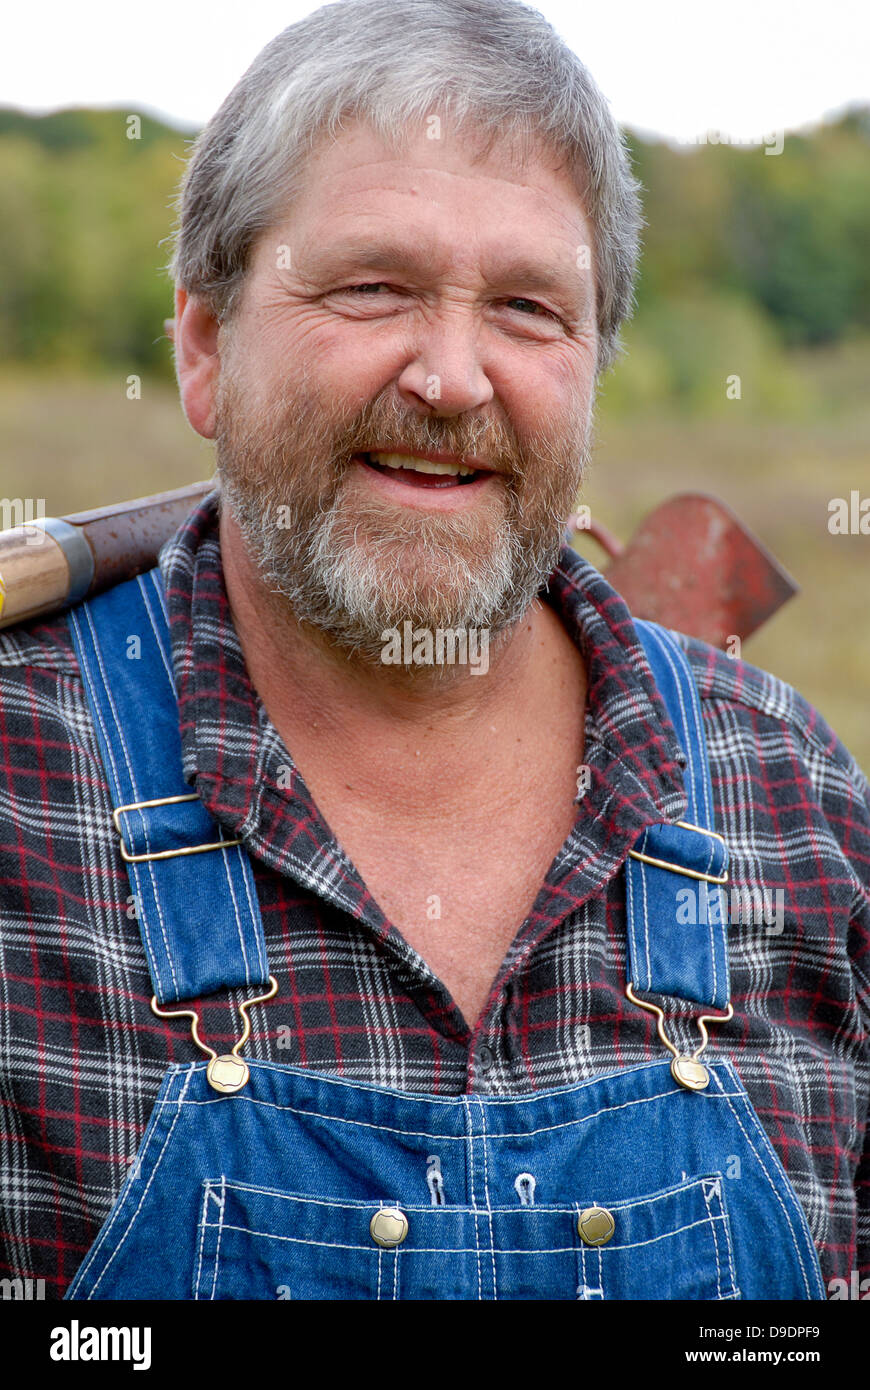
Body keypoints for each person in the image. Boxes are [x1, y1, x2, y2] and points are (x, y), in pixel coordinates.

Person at [0, 0, 867, 1302]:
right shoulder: (22, 787)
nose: (452, 378)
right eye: (371, 287)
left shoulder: (790, 795)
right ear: (201, 349)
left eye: (526, 308)